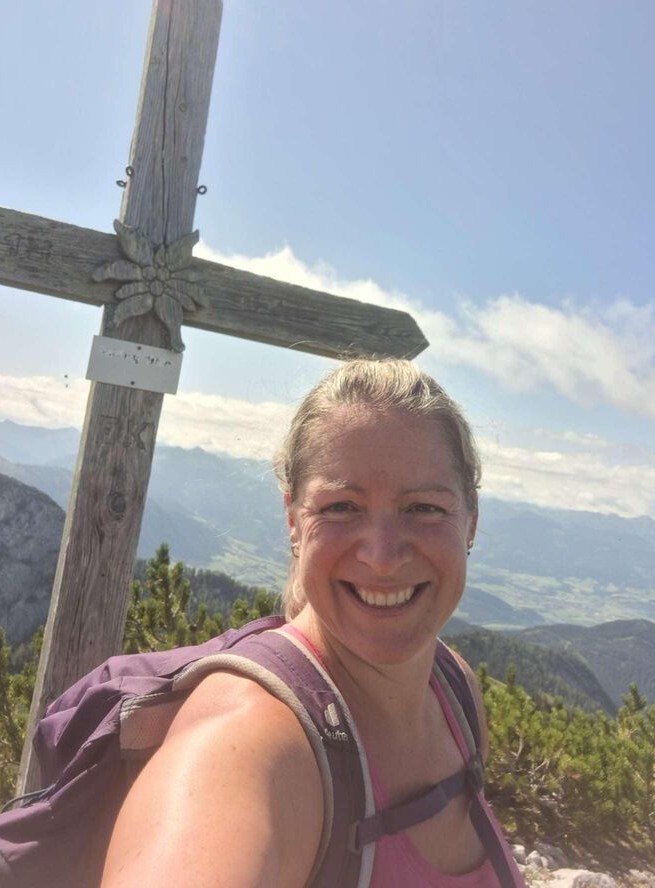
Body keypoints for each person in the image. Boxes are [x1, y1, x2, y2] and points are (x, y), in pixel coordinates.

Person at [101, 359, 521, 888]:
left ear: (471, 522)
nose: (382, 557)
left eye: (424, 508)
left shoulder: (455, 692)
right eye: (341, 507)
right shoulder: (246, 739)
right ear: (294, 522)